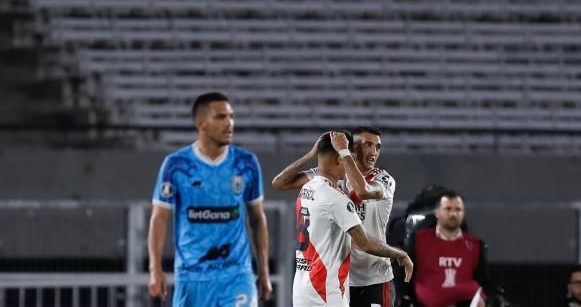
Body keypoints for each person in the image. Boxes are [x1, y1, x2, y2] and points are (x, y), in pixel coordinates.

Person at [147, 92, 272, 306]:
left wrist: (264, 271)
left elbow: (257, 218)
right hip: (191, 277)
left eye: (231, 116)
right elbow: (159, 218)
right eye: (221, 117)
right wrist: (154, 269)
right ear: (201, 124)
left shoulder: (246, 163)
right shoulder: (176, 165)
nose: (229, 123)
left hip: (236, 275)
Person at [272, 127, 397, 307]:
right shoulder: (332, 174)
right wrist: (312, 154)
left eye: (378, 147)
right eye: (368, 145)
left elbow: (363, 191)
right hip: (340, 280)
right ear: (351, 147)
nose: (374, 152)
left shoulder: (383, 179)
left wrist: (344, 154)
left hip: (373, 278)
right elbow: (279, 183)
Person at [407, 190, 499, 307]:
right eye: (448, 209)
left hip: (463, 304)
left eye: (458, 209)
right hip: (425, 302)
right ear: (437, 212)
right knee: (473, 288)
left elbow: (484, 282)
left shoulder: (475, 245)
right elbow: (404, 276)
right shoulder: (418, 240)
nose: (453, 214)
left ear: (463, 213)